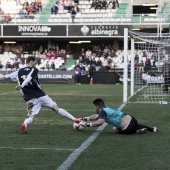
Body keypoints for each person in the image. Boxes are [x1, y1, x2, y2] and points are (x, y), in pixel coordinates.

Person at [0, 56, 80, 134]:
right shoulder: (34, 69)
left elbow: (6, 76)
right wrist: (22, 85)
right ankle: (74, 119)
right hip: (41, 95)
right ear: (31, 62)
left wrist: (3, 78)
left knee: (31, 117)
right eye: (34, 62)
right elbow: (29, 77)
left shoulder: (18, 71)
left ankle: (25, 124)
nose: (35, 63)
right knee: (56, 109)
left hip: (31, 98)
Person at [79, 98, 158, 134]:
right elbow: (96, 116)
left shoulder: (102, 112)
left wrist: (87, 124)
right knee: (135, 125)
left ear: (97, 107)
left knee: (115, 129)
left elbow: (100, 122)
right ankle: (152, 129)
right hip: (133, 119)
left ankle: (136, 131)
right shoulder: (106, 109)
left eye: (94, 107)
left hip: (128, 128)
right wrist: (85, 118)